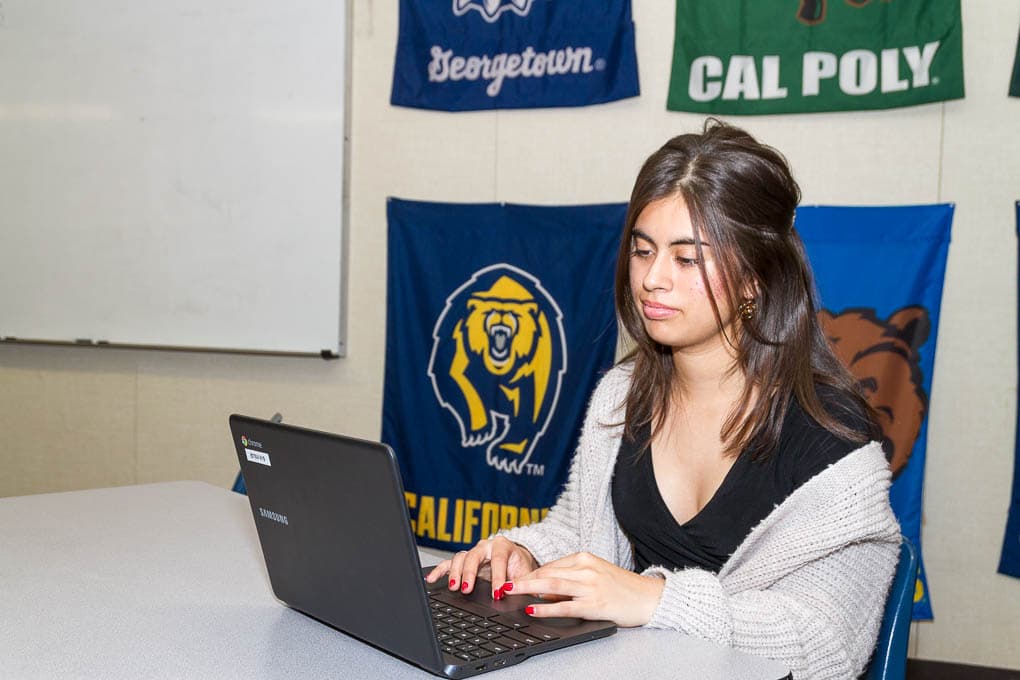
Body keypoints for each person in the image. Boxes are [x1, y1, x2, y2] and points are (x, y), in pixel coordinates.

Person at [426, 119, 901, 679]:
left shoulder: (835, 444)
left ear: (754, 280)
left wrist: (655, 600)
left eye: (687, 258)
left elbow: (828, 645)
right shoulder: (621, 394)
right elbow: (579, 534)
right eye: (643, 251)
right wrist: (524, 552)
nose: (652, 279)